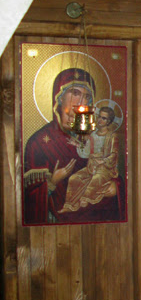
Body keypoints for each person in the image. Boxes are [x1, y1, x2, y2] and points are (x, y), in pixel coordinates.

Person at [23, 67, 94, 223]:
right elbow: (28, 198)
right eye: (75, 93)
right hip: (56, 224)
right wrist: (52, 182)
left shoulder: (92, 139)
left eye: (87, 96)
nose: (81, 101)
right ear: (60, 97)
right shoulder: (39, 142)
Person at [60, 105, 121, 213]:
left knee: (96, 179)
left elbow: (114, 154)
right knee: (74, 178)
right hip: (91, 166)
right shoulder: (93, 135)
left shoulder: (112, 136)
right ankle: (69, 206)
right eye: (99, 117)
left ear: (109, 121)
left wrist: (103, 161)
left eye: (104, 118)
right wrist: (77, 145)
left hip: (105, 168)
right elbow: (86, 153)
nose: (100, 120)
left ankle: (85, 200)